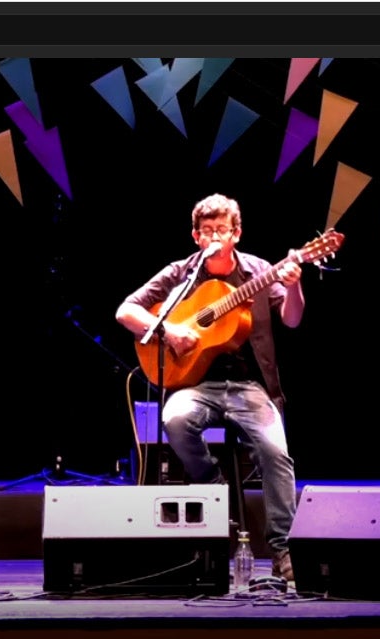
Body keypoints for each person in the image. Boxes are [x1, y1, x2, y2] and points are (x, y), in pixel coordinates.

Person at [115, 193, 304, 582]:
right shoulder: (181, 275)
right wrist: (168, 330)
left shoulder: (259, 271)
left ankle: (284, 548)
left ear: (236, 233)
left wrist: (296, 286)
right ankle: (214, 488)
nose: (215, 237)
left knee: (276, 452)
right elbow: (126, 311)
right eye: (207, 231)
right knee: (174, 419)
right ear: (196, 237)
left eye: (222, 230)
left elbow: (292, 319)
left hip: (251, 387)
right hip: (196, 384)